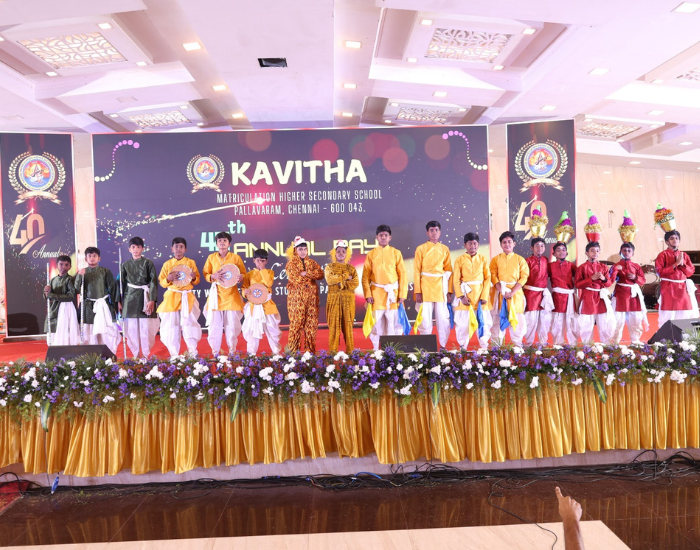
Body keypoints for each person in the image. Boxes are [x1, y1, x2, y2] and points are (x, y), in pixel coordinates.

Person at [362, 225, 407, 350]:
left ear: (390, 237)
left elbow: (403, 275)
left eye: (385, 235)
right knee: (377, 324)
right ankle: (376, 350)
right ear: (377, 237)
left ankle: (394, 350)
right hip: (376, 294)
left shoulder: (396, 253)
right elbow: (365, 277)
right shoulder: (371, 254)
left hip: (393, 294)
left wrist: (402, 294)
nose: (383, 237)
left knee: (394, 323)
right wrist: (368, 294)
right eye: (381, 235)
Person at [156, 237, 202, 357]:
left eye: (181, 247)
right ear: (172, 249)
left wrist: (194, 277)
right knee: (171, 326)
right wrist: (168, 279)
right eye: (176, 247)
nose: (178, 249)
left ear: (185, 249)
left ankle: (192, 353)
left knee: (189, 325)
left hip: (187, 297)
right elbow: (162, 282)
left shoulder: (191, 262)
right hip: (172, 298)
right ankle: (174, 355)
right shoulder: (167, 264)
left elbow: (197, 280)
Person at [202, 231, 246, 356]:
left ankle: (232, 351)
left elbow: (243, 273)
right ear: (216, 244)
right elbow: (205, 274)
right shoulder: (211, 258)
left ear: (229, 244)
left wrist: (241, 277)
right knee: (214, 326)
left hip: (231, 295)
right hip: (216, 295)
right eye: (219, 241)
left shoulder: (236, 258)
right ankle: (215, 352)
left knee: (232, 326)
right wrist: (213, 276)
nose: (222, 243)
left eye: (225, 240)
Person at [414, 221, 453, 348]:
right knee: (425, 318)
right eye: (431, 230)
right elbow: (416, 271)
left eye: (436, 230)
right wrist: (418, 292)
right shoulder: (420, 248)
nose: (434, 233)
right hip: (425, 286)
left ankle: (443, 345)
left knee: (443, 318)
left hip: (441, 286)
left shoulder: (445, 249)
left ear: (440, 232)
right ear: (427, 233)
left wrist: (449, 292)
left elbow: (448, 270)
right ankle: (426, 346)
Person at [119, 237, 159, 358]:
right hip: (129, 298)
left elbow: (153, 282)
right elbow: (120, 284)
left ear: (142, 248)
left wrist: (152, 300)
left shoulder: (148, 263)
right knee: (131, 328)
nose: (136, 250)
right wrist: (118, 301)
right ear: (129, 249)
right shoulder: (125, 265)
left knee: (146, 328)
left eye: (138, 247)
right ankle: (135, 354)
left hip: (145, 297)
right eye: (133, 247)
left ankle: (146, 355)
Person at [450, 232, 491, 349]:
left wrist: (484, 296)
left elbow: (488, 278)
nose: (472, 246)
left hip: (480, 297)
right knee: (463, 324)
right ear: (465, 245)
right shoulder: (459, 260)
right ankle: (462, 347)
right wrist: (461, 296)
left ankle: (484, 347)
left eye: (474, 243)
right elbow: (456, 280)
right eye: (470, 243)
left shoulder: (483, 259)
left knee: (484, 323)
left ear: (478, 245)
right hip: (465, 297)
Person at [75, 247, 120, 354]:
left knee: (106, 333)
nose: (92, 258)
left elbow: (113, 289)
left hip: (103, 306)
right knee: (88, 333)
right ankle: (90, 357)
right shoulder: (82, 272)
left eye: (94, 256)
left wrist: (116, 304)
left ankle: (107, 355)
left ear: (99, 258)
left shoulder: (105, 272)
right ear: (86, 259)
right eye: (89, 256)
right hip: (88, 307)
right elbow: (76, 289)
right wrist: (79, 276)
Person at [489, 231, 529, 346]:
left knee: (517, 319)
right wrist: (502, 290)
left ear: (514, 243)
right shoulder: (495, 259)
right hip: (500, 293)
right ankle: (496, 347)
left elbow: (524, 277)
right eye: (504, 242)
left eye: (509, 242)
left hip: (515, 294)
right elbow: (493, 276)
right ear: (501, 245)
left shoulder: (520, 259)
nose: (507, 244)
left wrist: (512, 292)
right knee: (497, 320)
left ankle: (517, 346)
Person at [286, 236, 324, 353]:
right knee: (296, 325)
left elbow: (320, 274)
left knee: (311, 326)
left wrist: (306, 273)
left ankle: (310, 353)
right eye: (300, 249)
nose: (303, 251)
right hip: (296, 300)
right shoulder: (291, 264)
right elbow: (295, 279)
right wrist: (309, 276)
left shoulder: (312, 263)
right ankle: (293, 354)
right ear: (295, 250)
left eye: (304, 249)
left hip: (312, 300)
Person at [241, 249, 281, 355]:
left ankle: (276, 353)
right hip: (253, 306)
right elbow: (244, 288)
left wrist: (262, 269)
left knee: (272, 329)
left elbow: (268, 283)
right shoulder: (249, 275)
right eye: (258, 260)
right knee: (252, 330)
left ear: (266, 261)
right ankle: (251, 354)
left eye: (263, 261)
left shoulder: (270, 272)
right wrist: (246, 292)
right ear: (254, 260)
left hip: (267, 305)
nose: (260, 263)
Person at [655, 230, 698, 326]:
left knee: (685, 313)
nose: (675, 240)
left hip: (682, 288)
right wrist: (675, 264)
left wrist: (682, 265)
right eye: (671, 238)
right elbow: (659, 272)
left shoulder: (684, 255)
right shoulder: (662, 255)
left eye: (677, 238)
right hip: (668, 287)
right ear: (667, 242)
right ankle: (666, 334)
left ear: (679, 241)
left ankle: (683, 334)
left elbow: (690, 272)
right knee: (667, 314)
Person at [575, 241, 614, 344]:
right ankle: (587, 347)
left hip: (601, 298)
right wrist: (591, 279)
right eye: (592, 251)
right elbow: (577, 284)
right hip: (588, 297)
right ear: (586, 253)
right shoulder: (582, 267)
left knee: (604, 324)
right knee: (586, 325)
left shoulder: (603, 267)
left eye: (597, 251)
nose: (595, 253)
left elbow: (609, 283)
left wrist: (603, 279)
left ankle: (606, 346)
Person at [325, 240, 359, 353]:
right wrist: (345, 276)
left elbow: (355, 283)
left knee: (348, 328)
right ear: (334, 253)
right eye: (338, 251)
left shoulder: (351, 268)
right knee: (334, 328)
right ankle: (332, 353)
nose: (341, 253)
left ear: (346, 254)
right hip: (333, 300)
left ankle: (350, 353)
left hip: (348, 301)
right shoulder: (329, 267)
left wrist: (341, 283)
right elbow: (330, 280)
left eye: (343, 251)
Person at [611, 242, 648, 345]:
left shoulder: (636, 266)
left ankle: (635, 340)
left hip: (633, 295)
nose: (626, 252)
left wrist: (635, 277)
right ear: (620, 252)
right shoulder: (615, 266)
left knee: (635, 318)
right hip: (620, 294)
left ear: (633, 253)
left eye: (629, 251)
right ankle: (615, 342)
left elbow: (643, 281)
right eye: (624, 250)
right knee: (617, 319)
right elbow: (610, 280)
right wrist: (615, 270)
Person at [523, 237, 554, 346]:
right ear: (532, 248)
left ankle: (543, 342)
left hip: (543, 294)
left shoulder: (546, 260)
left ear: (544, 248)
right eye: (537, 246)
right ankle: (529, 343)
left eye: (542, 246)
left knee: (544, 320)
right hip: (530, 294)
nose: (539, 248)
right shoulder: (527, 261)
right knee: (530, 320)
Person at [44, 254, 79, 346]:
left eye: (66, 265)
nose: (63, 267)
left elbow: (71, 296)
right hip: (54, 308)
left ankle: (66, 350)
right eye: (61, 264)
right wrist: (45, 292)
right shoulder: (53, 280)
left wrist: (52, 295)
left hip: (66, 308)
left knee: (65, 330)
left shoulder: (70, 279)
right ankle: (54, 351)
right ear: (57, 265)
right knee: (53, 330)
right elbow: (47, 297)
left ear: (70, 266)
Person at [548, 242, 578, 346]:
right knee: (557, 321)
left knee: (572, 322)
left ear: (567, 253)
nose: (561, 252)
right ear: (554, 253)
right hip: (557, 298)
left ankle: (573, 345)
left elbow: (580, 277)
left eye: (563, 250)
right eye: (558, 250)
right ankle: (558, 344)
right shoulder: (550, 266)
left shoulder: (571, 265)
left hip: (569, 297)